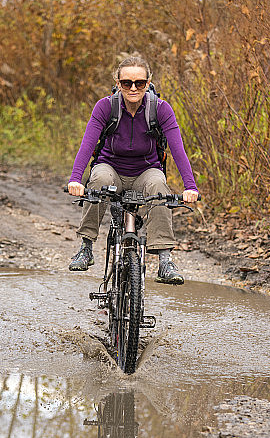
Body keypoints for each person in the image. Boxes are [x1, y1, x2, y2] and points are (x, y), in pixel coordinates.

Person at [66, 55, 199, 284]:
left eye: (140, 83)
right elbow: (87, 145)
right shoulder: (106, 107)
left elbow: (178, 150)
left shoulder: (160, 110)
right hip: (111, 169)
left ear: (148, 83)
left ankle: (165, 261)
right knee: (97, 180)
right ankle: (86, 247)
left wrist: (190, 187)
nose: (133, 88)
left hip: (146, 171)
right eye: (127, 83)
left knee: (159, 185)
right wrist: (76, 179)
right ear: (118, 83)